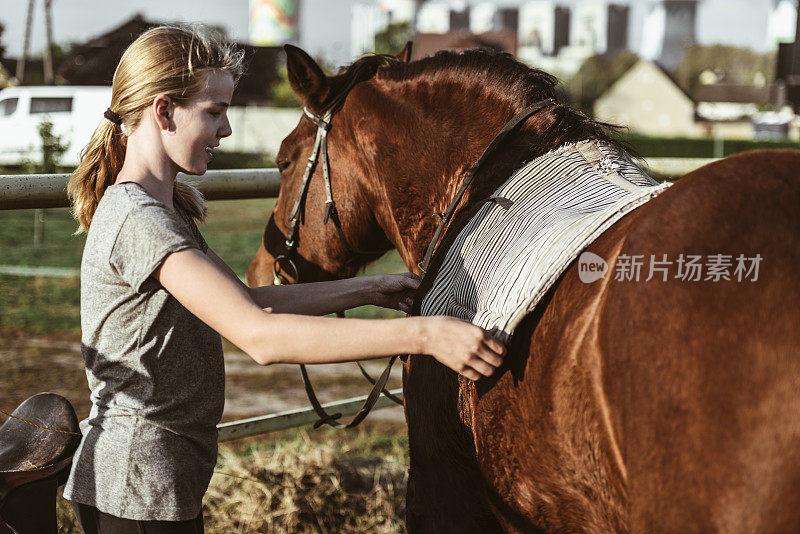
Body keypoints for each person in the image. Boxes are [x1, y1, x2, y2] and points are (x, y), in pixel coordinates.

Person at [62, 25, 505, 534]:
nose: (226, 129)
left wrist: (371, 289)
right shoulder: (139, 218)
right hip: (135, 488)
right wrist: (426, 336)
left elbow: (247, 302)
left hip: (154, 482)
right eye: (214, 112)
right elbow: (259, 336)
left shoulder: (162, 209)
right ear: (163, 112)